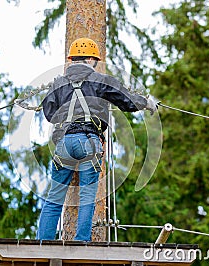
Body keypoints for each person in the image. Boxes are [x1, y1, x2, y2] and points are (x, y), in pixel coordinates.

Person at [37, 37, 158, 241]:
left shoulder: (58, 83)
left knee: (54, 198)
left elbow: (49, 112)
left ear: (73, 59)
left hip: (64, 143)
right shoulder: (101, 80)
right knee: (86, 197)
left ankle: (43, 241)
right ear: (92, 59)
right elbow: (126, 100)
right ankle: (81, 240)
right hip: (89, 140)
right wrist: (147, 103)